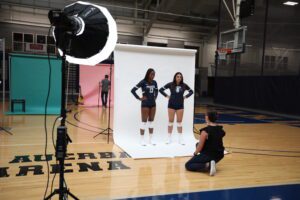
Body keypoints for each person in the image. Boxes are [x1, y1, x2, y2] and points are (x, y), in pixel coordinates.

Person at [185, 110, 225, 176]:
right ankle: (211, 162)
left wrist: (195, 154)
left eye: (206, 115)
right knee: (197, 144)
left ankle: (207, 164)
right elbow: (216, 138)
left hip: (209, 154)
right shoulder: (220, 129)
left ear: (207, 118)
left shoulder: (205, 131)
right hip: (219, 155)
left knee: (188, 165)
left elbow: (200, 147)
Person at [159, 72, 193, 145]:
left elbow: (191, 91)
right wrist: (167, 96)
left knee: (179, 122)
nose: (179, 78)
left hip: (180, 105)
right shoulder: (170, 84)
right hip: (171, 105)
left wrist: (185, 97)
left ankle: (180, 139)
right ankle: (169, 138)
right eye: (177, 76)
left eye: (180, 77)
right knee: (170, 121)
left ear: (182, 78)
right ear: (175, 77)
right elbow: (161, 90)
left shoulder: (184, 85)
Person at [131, 68, 158, 146]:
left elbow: (156, 91)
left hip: (153, 104)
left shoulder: (155, 82)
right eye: (152, 74)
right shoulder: (143, 82)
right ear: (148, 74)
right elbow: (133, 90)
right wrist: (139, 98)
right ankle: (141, 139)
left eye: (154, 74)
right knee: (144, 122)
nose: (153, 75)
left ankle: (151, 139)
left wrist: (155, 97)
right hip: (145, 104)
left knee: (151, 122)